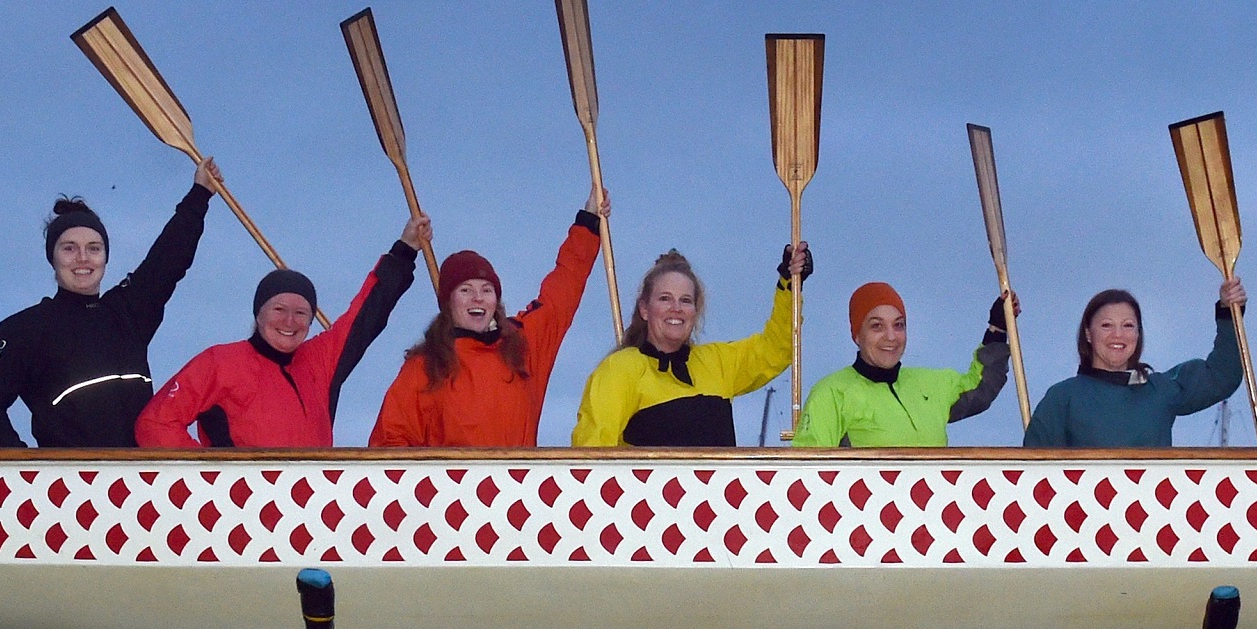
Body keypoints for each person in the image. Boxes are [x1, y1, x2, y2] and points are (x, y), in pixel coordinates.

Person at [0, 159, 221, 629]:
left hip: (139, 494)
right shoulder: (27, 328)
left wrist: (197, 197)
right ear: (53, 259)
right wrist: (18, 467)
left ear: (106, 256)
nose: (83, 259)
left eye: (93, 248)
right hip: (67, 497)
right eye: (70, 249)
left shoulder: (128, 311)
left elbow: (168, 262)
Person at [134, 215, 427, 448]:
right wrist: (213, 476)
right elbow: (155, 424)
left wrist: (404, 250)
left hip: (312, 507)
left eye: (301, 313)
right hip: (243, 509)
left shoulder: (320, 361)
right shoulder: (220, 362)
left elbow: (367, 315)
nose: (289, 321)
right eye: (278, 310)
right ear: (258, 313)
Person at [369, 190, 604, 447]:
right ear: (449, 302)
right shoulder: (425, 365)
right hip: (451, 486)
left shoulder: (523, 344)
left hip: (517, 484)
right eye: (466, 290)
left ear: (496, 301)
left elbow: (563, 291)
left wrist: (588, 222)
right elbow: (390, 439)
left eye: (486, 290)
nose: (477, 298)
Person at [573, 243, 810, 447]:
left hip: (719, 499)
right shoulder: (620, 370)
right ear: (644, 309)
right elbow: (592, 451)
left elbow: (777, 348)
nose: (676, 308)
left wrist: (790, 282)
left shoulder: (717, 363)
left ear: (695, 311)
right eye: (665, 298)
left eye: (685, 300)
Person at [1021, 280, 1244, 447]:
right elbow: (1034, 473)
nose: (1117, 335)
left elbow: (1222, 376)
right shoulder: (1062, 398)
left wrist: (1228, 313)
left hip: (1156, 508)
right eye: (1106, 325)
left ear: (1138, 333)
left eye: (1128, 325)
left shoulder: (1161, 390)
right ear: (1088, 333)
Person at [791, 283, 1016, 448]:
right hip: (867, 511)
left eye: (898, 325)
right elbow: (809, 472)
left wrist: (997, 329)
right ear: (857, 335)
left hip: (932, 509)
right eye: (877, 326)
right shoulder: (831, 393)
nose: (891, 336)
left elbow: (980, 388)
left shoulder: (930, 384)